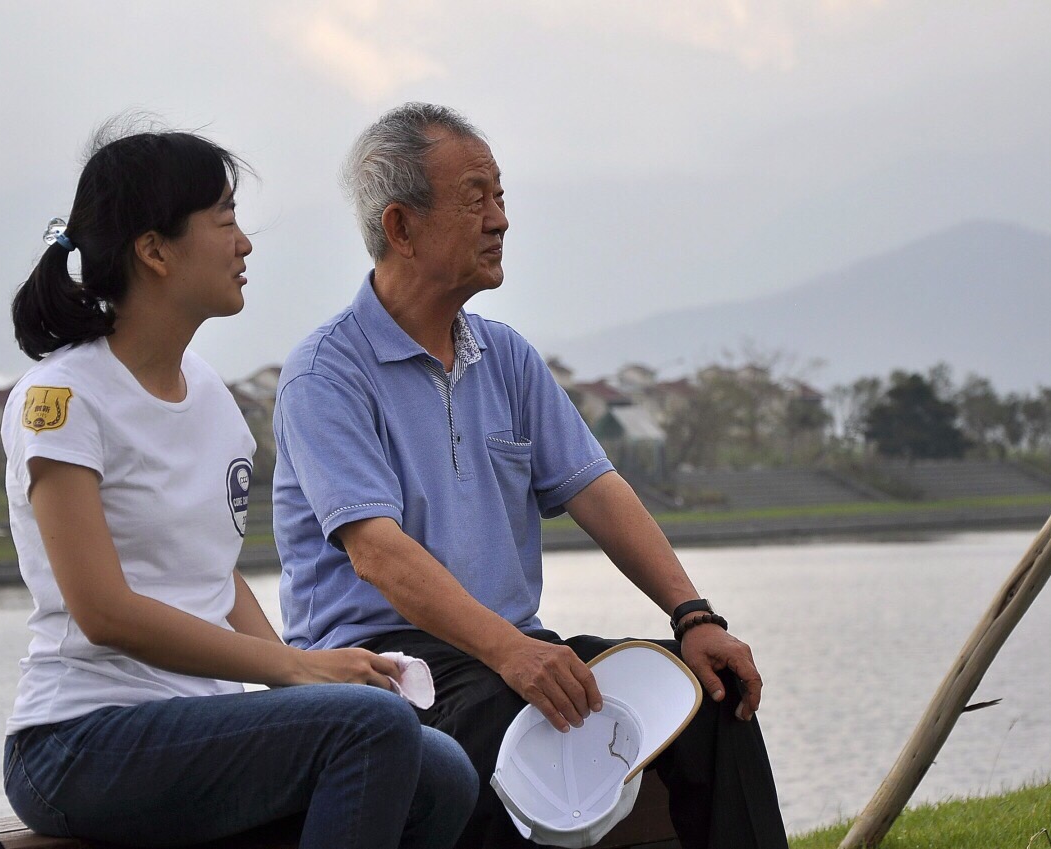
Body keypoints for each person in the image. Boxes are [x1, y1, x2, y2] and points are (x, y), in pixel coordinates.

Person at [272, 103, 788, 849]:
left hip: (512, 651)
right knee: (516, 719)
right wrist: (511, 652)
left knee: (709, 694)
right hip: (387, 671)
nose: (500, 220)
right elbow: (376, 553)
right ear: (401, 227)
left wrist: (694, 617)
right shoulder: (326, 372)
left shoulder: (505, 356)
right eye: (475, 197)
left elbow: (599, 491)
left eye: (501, 196)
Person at [0, 125, 477, 849]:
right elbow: (103, 612)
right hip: (78, 738)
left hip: (193, 723)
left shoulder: (213, 400)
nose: (244, 243)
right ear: (154, 250)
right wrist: (298, 665)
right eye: (224, 220)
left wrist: (307, 682)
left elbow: (214, 581)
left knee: (443, 770)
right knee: (370, 728)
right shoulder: (63, 397)